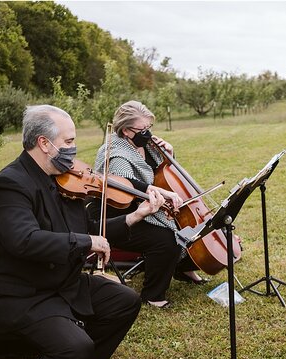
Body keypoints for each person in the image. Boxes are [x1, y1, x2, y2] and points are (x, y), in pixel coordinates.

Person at [0, 104, 166, 359]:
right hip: (21, 293)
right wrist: (83, 244)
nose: (74, 149)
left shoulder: (63, 179)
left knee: (124, 301)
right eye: (68, 142)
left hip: (61, 283)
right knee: (75, 345)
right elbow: (24, 241)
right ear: (43, 143)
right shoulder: (9, 185)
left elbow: (91, 230)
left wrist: (136, 215)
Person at [94, 100, 232, 308]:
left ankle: (182, 269)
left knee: (192, 229)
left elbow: (163, 175)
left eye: (149, 127)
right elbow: (124, 184)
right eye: (142, 129)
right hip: (123, 216)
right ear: (126, 130)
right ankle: (152, 295)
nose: (147, 133)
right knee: (166, 239)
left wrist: (169, 153)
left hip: (153, 207)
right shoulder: (116, 154)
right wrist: (155, 192)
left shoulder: (146, 145)